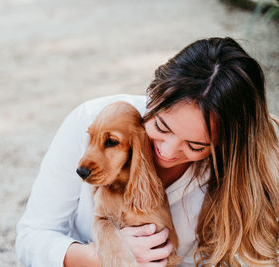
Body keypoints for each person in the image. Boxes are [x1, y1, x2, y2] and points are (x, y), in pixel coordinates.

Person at [15, 37, 279, 266]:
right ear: (153, 96)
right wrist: (104, 256)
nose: (168, 151)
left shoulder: (237, 169)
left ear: (225, 144)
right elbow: (32, 237)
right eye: (161, 127)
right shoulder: (92, 122)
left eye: (196, 145)